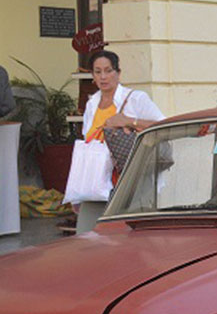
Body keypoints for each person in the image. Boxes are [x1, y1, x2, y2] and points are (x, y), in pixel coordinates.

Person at [68, 50, 164, 233]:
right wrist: (77, 194)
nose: (103, 77)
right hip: (96, 181)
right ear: (92, 75)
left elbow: (162, 126)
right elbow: (88, 144)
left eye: (108, 70)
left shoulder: (136, 99)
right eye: (97, 72)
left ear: (118, 73)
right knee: (87, 235)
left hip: (130, 180)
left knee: (128, 237)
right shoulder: (92, 104)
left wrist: (130, 121)